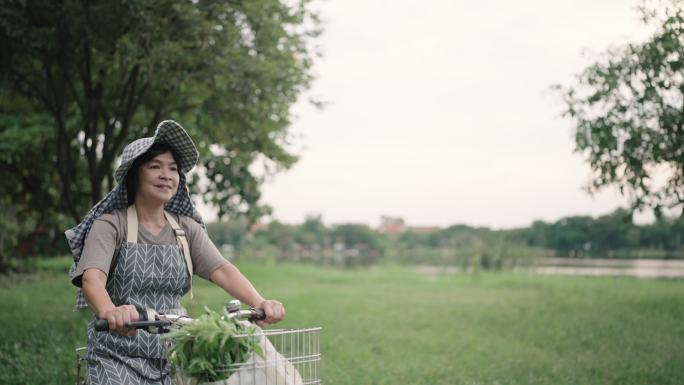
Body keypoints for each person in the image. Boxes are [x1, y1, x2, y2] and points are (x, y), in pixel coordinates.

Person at [66, 120, 285, 384]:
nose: (166, 175)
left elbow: (223, 270)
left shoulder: (186, 229)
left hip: (175, 353)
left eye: (172, 168)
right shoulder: (111, 224)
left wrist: (259, 302)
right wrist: (109, 311)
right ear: (135, 175)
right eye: (155, 166)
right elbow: (92, 278)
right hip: (117, 353)